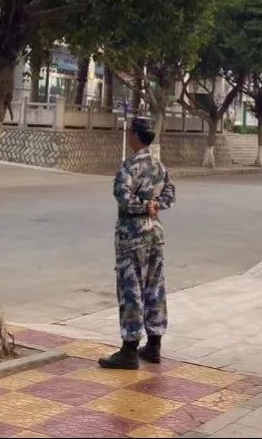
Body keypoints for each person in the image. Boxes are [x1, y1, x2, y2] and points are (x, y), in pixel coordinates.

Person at [99, 117, 176, 369]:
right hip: (155, 234)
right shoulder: (159, 166)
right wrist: (154, 205)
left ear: (135, 136)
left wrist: (143, 205)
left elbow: (122, 197)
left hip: (132, 235)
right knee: (155, 287)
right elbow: (169, 195)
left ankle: (129, 350)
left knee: (131, 288)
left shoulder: (130, 166)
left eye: (130, 132)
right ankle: (154, 345)